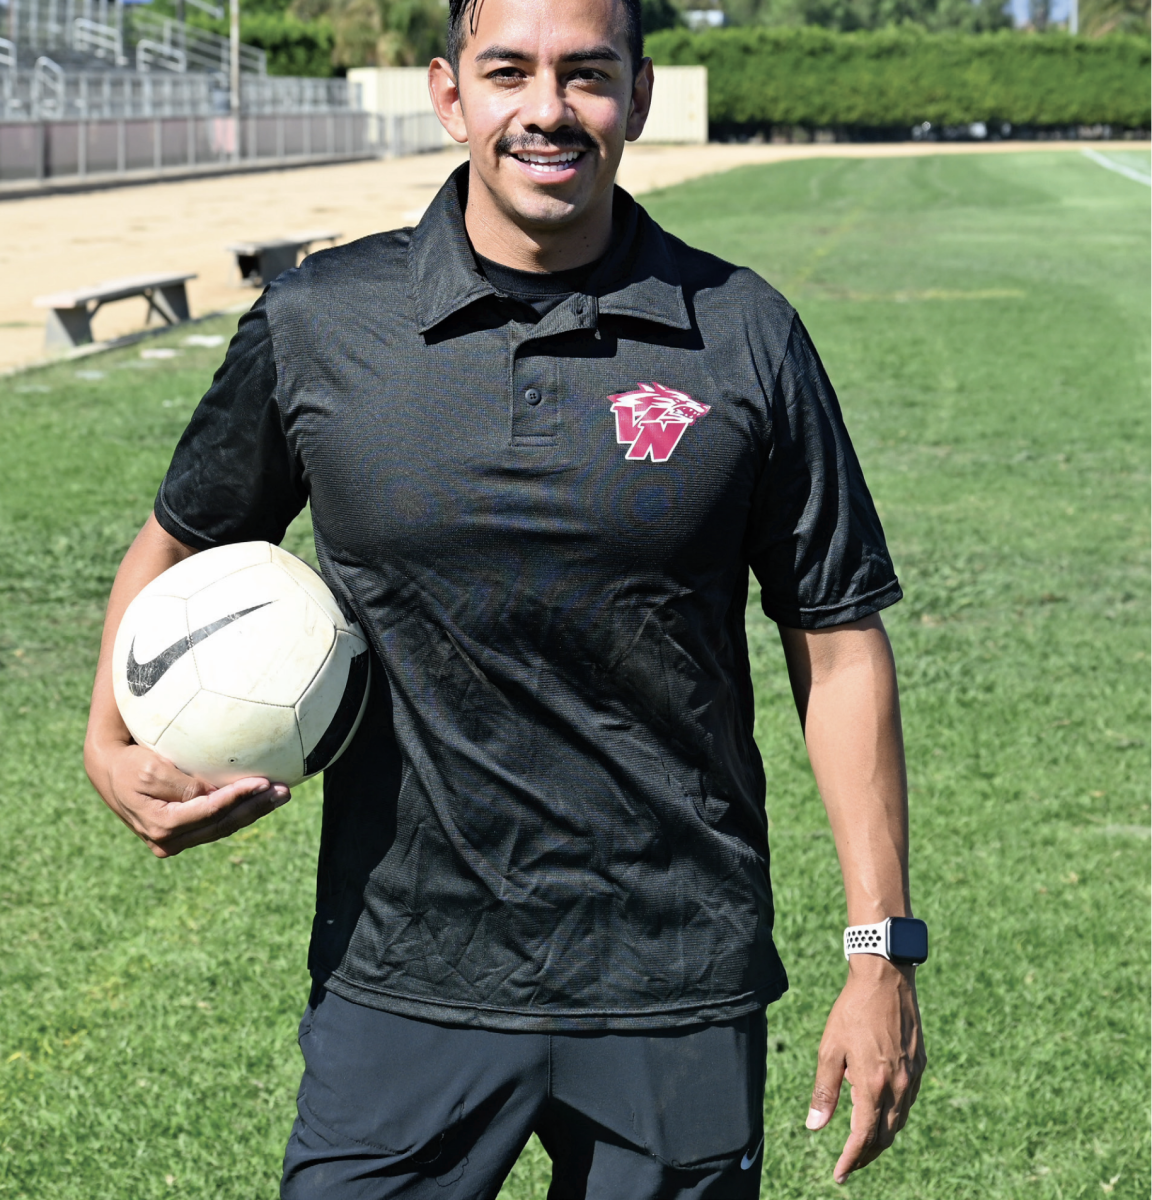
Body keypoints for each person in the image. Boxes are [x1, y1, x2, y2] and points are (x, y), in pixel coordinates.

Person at [83, 0, 926, 1194]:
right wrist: (105, 740)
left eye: (587, 75)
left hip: (670, 975)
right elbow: (179, 544)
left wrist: (879, 949)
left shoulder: (744, 335)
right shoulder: (321, 322)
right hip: (404, 970)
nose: (547, 109)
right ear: (448, 94)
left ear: (635, 96)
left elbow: (837, 643)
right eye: (508, 72)